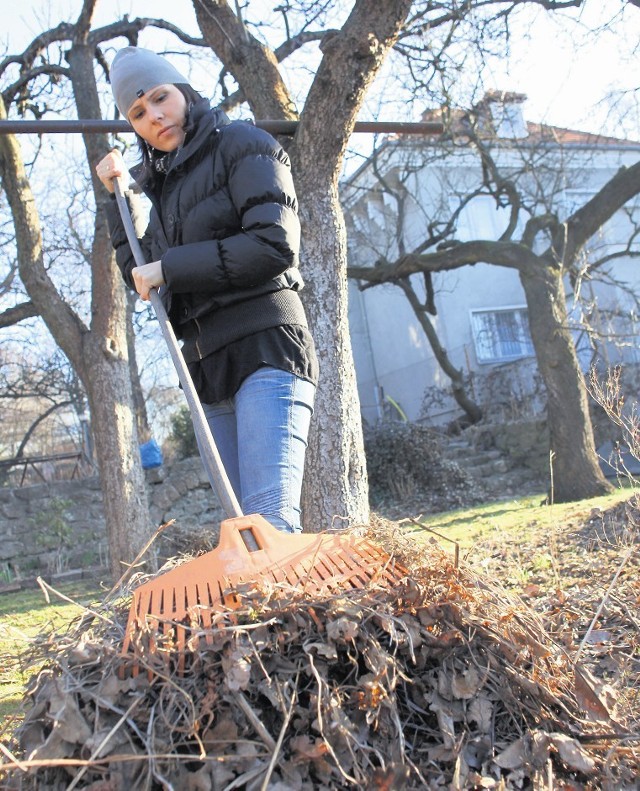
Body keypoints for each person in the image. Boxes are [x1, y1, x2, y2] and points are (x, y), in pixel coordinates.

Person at [96, 46, 318, 534]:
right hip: (204, 369)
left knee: (270, 523)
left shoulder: (244, 144)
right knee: (245, 529)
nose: (154, 115)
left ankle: (312, 609)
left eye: (160, 98)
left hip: (264, 348)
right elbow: (143, 276)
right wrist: (118, 201)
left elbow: (273, 243)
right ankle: (276, 612)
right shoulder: (163, 193)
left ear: (185, 93)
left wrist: (171, 267)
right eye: (138, 113)